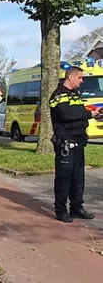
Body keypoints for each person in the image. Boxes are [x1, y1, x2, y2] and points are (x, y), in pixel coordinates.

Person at [50, 65, 103, 222]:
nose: (82, 81)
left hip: (79, 141)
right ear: (70, 77)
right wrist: (88, 113)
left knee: (78, 178)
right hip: (65, 142)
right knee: (64, 178)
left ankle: (76, 207)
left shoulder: (75, 95)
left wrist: (94, 114)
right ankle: (60, 210)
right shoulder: (58, 95)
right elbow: (66, 114)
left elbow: (78, 113)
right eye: (80, 78)